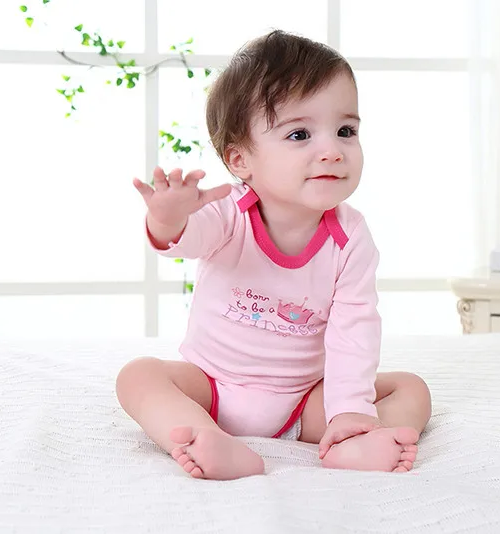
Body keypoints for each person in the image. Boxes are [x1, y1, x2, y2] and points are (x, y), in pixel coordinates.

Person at [116, 30, 432, 481]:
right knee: (138, 376)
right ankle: (203, 436)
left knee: (411, 389)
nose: (332, 151)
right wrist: (168, 220)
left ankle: (350, 444)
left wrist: (349, 413)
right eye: (300, 134)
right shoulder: (230, 213)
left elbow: (354, 331)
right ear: (240, 160)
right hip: (212, 389)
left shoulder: (350, 237)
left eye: (346, 131)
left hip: (303, 403)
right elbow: (188, 238)